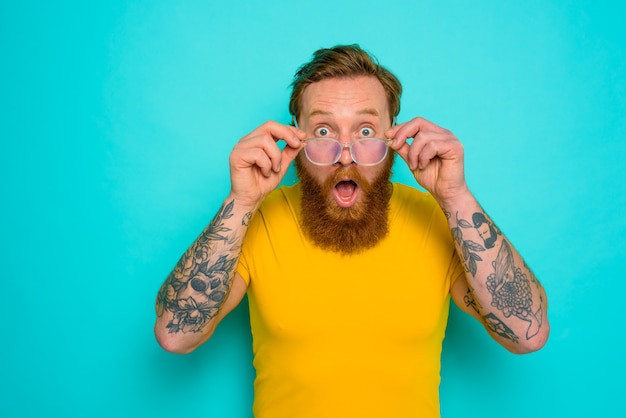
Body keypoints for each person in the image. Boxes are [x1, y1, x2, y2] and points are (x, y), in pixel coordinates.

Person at [154, 44, 549, 417]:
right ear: (295, 135)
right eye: (324, 131)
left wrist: (456, 196)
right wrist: (240, 202)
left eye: (364, 131)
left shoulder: (437, 219)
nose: (345, 154)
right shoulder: (258, 219)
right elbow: (176, 335)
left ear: (394, 134)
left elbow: (525, 333)